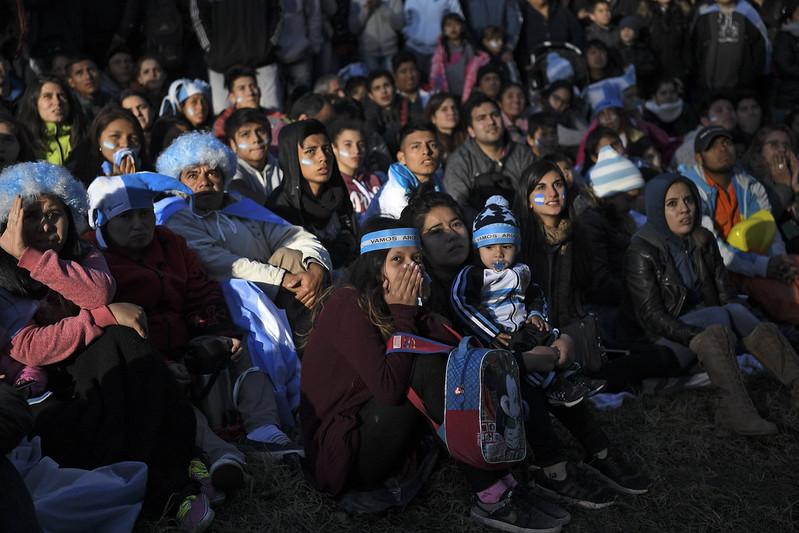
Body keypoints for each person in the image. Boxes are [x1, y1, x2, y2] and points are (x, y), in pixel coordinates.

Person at [300, 215, 569, 532]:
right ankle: (493, 497)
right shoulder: (347, 303)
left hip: (381, 433)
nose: (410, 267)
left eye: (415, 258)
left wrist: (527, 359)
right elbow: (389, 389)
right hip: (344, 453)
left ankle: (503, 481)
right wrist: (403, 313)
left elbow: (459, 354)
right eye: (397, 259)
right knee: (425, 367)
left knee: (448, 364)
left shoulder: (404, 305)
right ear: (375, 267)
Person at [402, 184, 650, 507]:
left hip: (515, 356)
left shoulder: (491, 271)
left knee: (560, 382)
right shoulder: (428, 295)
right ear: (418, 243)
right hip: (468, 398)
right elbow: (454, 369)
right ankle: (554, 470)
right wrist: (524, 363)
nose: (451, 235)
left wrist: (556, 337)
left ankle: (600, 451)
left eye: (456, 224)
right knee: (529, 386)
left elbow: (529, 303)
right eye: (436, 231)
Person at [0, 162, 210, 531]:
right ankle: (174, 476)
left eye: (55, 214)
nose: (46, 225)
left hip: (95, 364)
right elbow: (30, 347)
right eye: (31, 216)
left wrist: (36, 260)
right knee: (117, 341)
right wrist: (98, 318)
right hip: (45, 393)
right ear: (10, 223)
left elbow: (97, 292)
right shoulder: (2, 275)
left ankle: (174, 472)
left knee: (125, 339)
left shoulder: (85, 255)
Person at [84, 171, 304, 457]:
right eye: (126, 218)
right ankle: (218, 453)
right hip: (143, 354)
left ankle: (263, 429)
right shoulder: (90, 256)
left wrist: (220, 335)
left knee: (242, 349)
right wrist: (161, 362)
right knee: (160, 385)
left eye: (144, 214)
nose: (139, 225)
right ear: (104, 221)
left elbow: (200, 289)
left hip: (187, 340)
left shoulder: (170, 243)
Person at [625, 173, 799, 435]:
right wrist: (702, 335)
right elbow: (652, 318)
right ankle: (734, 413)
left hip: (713, 337)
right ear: (657, 210)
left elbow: (726, 294)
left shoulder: (703, 239)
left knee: (732, 310)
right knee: (721, 318)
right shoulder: (642, 249)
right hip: (662, 344)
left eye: (688, 200)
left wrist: (733, 329)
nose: (684, 209)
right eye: (672, 204)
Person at [154, 132, 332, 330]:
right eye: (193, 175)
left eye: (212, 173)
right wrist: (280, 278)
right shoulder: (176, 215)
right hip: (226, 303)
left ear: (224, 179)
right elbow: (217, 262)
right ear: (178, 186)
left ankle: (319, 335)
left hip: (274, 289)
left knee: (293, 256)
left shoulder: (241, 206)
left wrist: (317, 267)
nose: (204, 181)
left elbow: (294, 236)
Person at [449, 195, 605, 407]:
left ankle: (571, 377)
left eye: (506, 246)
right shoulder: (473, 274)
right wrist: (490, 331)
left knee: (551, 338)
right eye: (489, 247)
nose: (499, 253)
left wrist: (536, 313)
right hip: (499, 334)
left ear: (517, 246)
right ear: (477, 248)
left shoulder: (521, 272)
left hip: (525, 326)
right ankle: (554, 386)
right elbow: (460, 301)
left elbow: (535, 294)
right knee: (525, 356)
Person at [685, 126, 799, 323]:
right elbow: (713, 250)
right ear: (699, 159)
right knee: (784, 294)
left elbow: (769, 230)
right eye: (712, 146)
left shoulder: (750, 185)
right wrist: (764, 267)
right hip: (720, 270)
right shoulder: (690, 191)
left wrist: (780, 262)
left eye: (726, 143)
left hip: (755, 260)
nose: (722, 149)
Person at [268, 120, 359, 271]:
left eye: (327, 149)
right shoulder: (280, 206)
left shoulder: (337, 194)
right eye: (311, 151)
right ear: (291, 158)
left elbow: (356, 239)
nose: (323, 157)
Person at [444, 93, 535, 221]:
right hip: (479, 234)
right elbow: (459, 206)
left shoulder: (523, 153)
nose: (491, 122)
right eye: (482, 118)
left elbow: (535, 194)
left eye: (495, 115)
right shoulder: (460, 160)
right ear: (471, 131)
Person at [365, 121, 444, 219]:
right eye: (416, 146)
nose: (426, 151)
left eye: (432, 145)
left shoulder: (436, 181)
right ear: (401, 157)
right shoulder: (396, 195)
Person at [67, 107, 149, 186]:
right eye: (115, 136)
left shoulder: (151, 178)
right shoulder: (76, 178)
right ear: (98, 140)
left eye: (133, 138)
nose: (125, 144)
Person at [16, 75, 85, 165]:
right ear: (34, 103)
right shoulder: (21, 141)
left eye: (61, 95)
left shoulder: (85, 136)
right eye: (47, 96)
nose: (57, 102)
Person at [225, 107, 282, 205]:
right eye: (246, 134)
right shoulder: (229, 169)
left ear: (270, 136)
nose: (256, 139)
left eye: (261, 131)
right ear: (233, 144)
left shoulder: (283, 166)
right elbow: (236, 190)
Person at [328, 118, 383, 220]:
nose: (356, 150)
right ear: (334, 148)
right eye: (348, 145)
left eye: (361, 144)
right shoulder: (332, 186)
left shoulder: (376, 179)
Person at [430, 13, 477, 96]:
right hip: (446, 92)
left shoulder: (467, 47)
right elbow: (436, 72)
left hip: (465, 92)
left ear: (462, 27)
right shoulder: (440, 50)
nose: (453, 27)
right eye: (448, 25)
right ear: (444, 30)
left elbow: (473, 70)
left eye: (456, 24)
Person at [65, 56, 111, 122]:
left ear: (100, 74)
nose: (88, 76)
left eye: (91, 70)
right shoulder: (69, 108)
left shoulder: (113, 101)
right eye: (79, 73)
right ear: (70, 82)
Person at [425, 92, 466, 164]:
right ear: (433, 118)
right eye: (444, 109)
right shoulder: (430, 145)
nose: (452, 112)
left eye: (454, 108)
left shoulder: (467, 139)